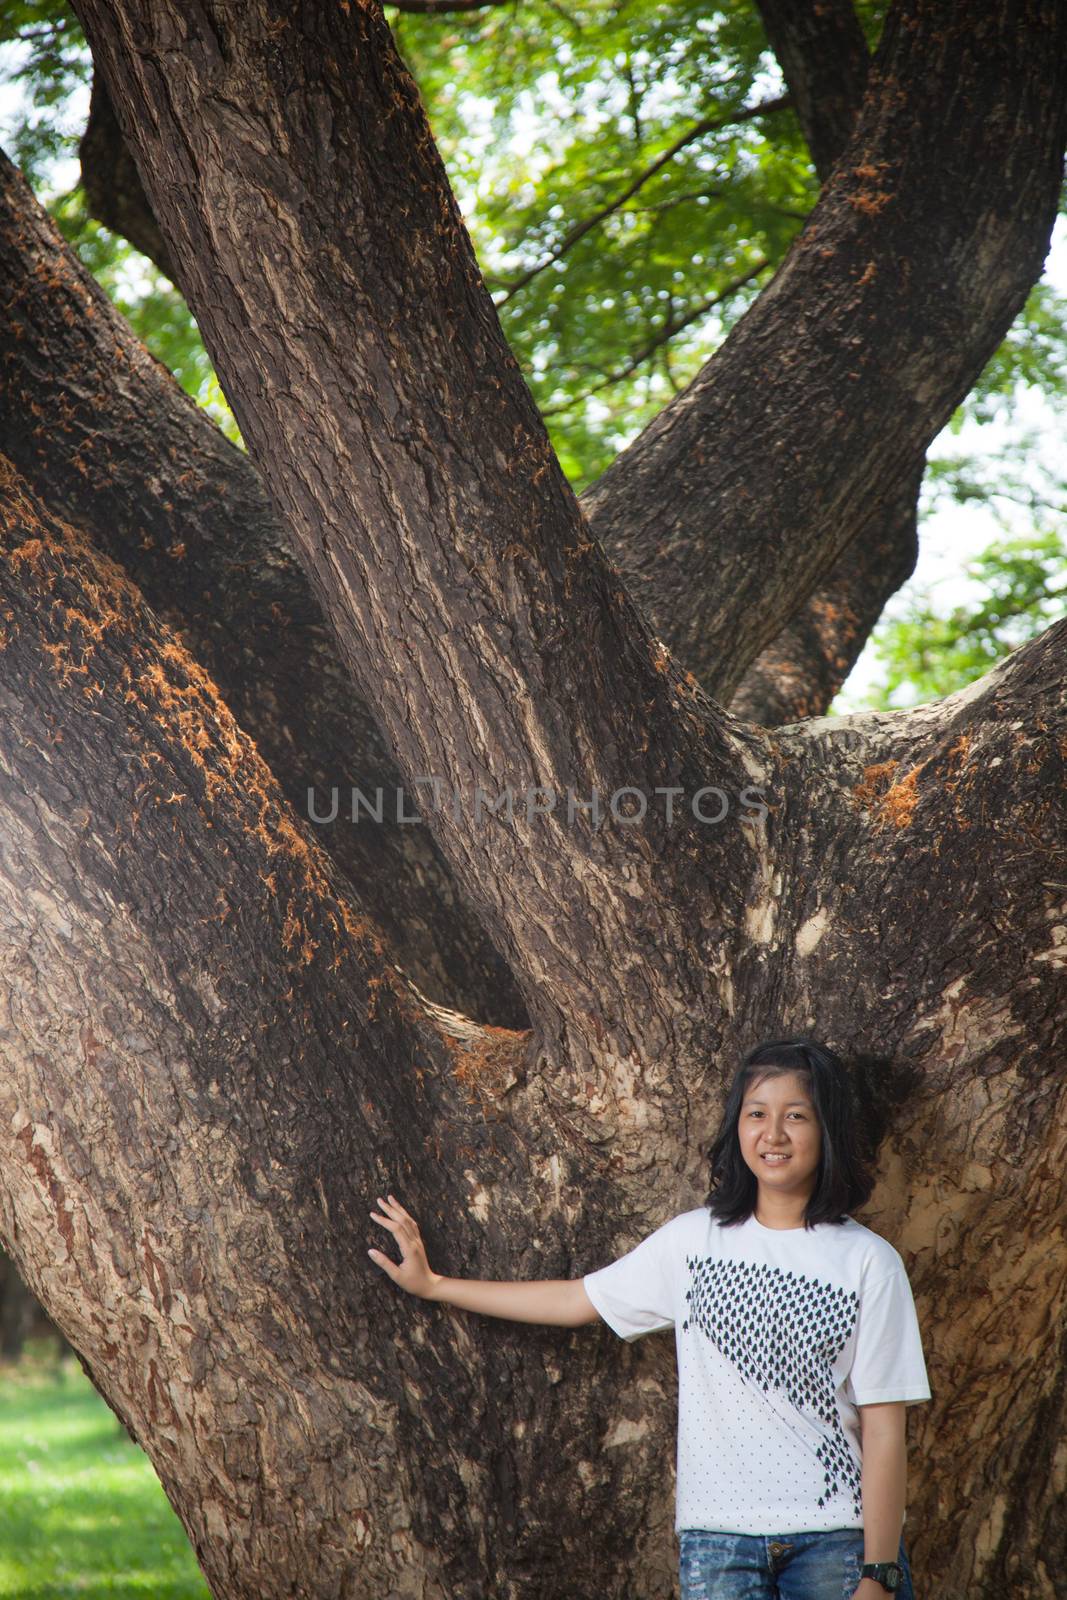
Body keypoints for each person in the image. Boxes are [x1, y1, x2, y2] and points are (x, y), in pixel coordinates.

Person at [368, 1037, 932, 1600]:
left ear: (826, 1129)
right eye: (756, 1113)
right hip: (718, 1543)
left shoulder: (868, 1262)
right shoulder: (693, 1242)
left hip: (836, 1541)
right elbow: (575, 1301)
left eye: (796, 1116)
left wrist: (878, 1573)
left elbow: (884, 1427)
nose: (773, 1134)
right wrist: (435, 1285)